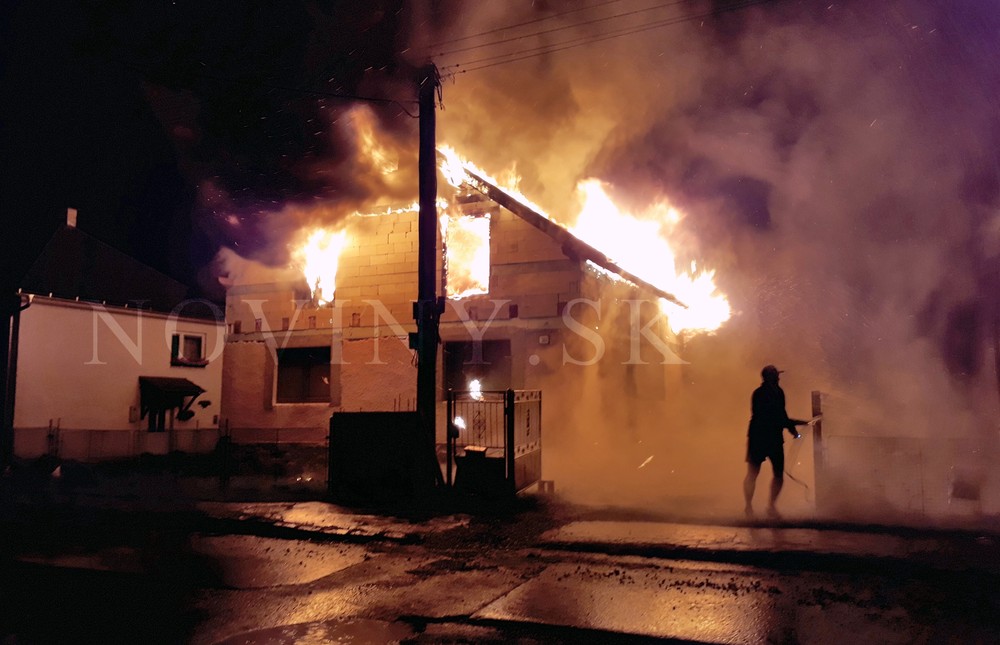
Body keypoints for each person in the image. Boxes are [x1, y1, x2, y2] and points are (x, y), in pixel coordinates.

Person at [743, 364, 809, 519]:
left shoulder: (777, 392)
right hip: (761, 437)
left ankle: (768, 507)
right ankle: (751, 507)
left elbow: (781, 415)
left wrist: (793, 429)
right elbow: (776, 417)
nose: (779, 378)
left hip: (767, 437)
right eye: (776, 376)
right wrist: (795, 425)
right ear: (771, 378)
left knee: (775, 474)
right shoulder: (762, 394)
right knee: (754, 473)